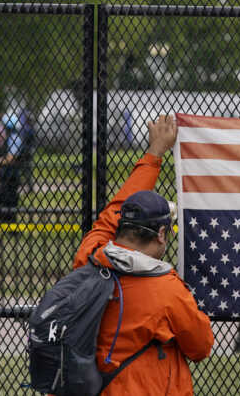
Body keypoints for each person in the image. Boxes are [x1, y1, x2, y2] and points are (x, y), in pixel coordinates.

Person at [72, 114, 214, 394]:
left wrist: (153, 154)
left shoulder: (89, 257)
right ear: (161, 234)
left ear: (121, 226)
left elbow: (111, 215)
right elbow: (200, 346)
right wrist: (156, 151)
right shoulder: (166, 290)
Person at [0, 114, 26, 222]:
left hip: (12, 176)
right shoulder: (7, 139)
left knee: (10, 203)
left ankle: (11, 229)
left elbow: (10, 158)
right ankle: (5, 224)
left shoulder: (15, 138)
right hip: (5, 176)